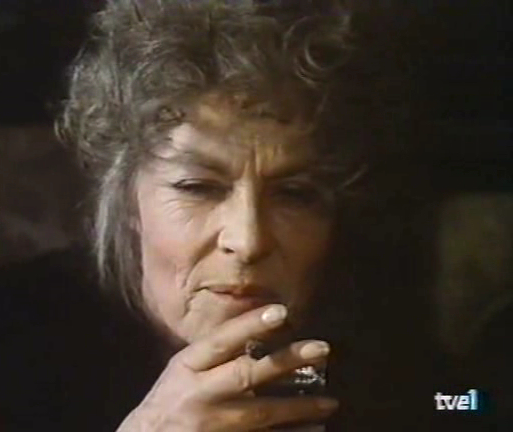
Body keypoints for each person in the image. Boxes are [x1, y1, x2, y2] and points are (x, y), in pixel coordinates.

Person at [58, 0, 369, 430]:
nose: (248, 241)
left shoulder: (402, 378)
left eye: (295, 194)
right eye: (197, 188)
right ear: (127, 198)